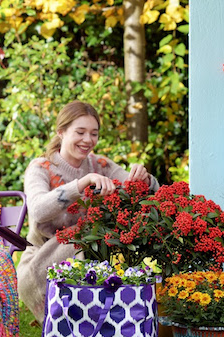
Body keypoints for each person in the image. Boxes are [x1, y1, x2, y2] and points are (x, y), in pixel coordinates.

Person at [17, 100, 159, 323]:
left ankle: (107, 323)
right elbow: (37, 210)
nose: (87, 140)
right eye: (80, 132)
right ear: (61, 132)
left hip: (93, 255)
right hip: (44, 259)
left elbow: (140, 189)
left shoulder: (99, 165)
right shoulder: (40, 167)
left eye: (94, 133)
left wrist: (145, 179)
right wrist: (80, 184)